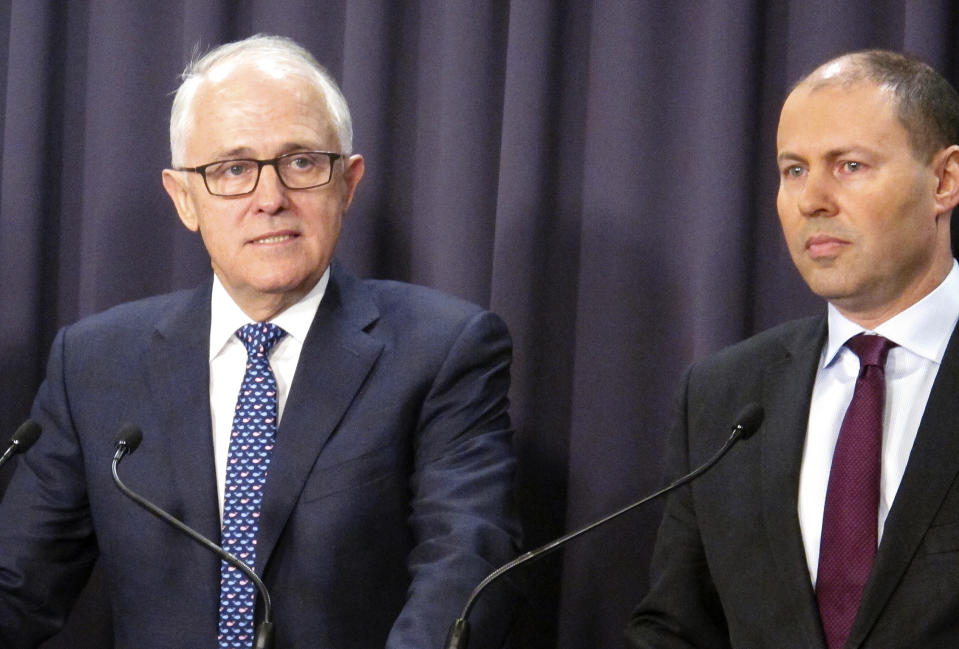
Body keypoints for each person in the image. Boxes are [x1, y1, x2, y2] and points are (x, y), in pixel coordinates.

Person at [0, 34, 519, 649]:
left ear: (347, 183)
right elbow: (18, 586)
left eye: (301, 162)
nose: (270, 200)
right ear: (185, 198)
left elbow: (465, 568)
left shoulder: (442, 350)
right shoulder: (94, 364)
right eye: (233, 169)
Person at [626, 50, 959, 649]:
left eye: (850, 166)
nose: (812, 201)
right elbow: (677, 624)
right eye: (794, 170)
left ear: (944, 181)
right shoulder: (724, 394)